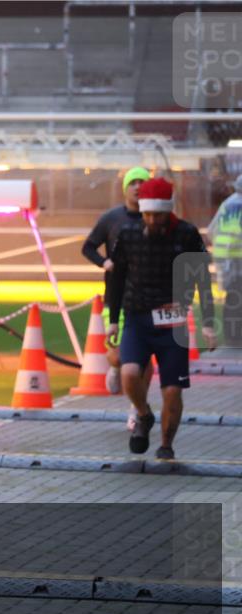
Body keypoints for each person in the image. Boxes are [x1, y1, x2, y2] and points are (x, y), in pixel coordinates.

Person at [107, 178, 218, 460]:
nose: (152, 220)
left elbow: (202, 279)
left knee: (172, 390)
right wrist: (113, 319)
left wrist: (207, 322)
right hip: (138, 318)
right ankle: (144, 415)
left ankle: (166, 445)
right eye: (147, 214)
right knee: (129, 374)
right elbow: (116, 278)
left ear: (168, 211)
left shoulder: (187, 234)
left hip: (173, 324)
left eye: (158, 214)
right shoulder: (129, 233)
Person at [82, 167, 153, 394]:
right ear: (125, 189)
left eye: (142, 182)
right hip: (116, 296)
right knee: (118, 354)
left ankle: (138, 407)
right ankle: (115, 366)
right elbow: (88, 247)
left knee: (142, 356)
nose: (138, 187)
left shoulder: (155, 218)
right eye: (133, 183)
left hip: (147, 298)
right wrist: (105, 263)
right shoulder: (112, 218)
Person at [208, 174, 242, 346]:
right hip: (238, 257)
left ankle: (232, 337)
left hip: (225, 258)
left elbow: (211, 230)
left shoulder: (227, 204)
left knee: (232, 297)